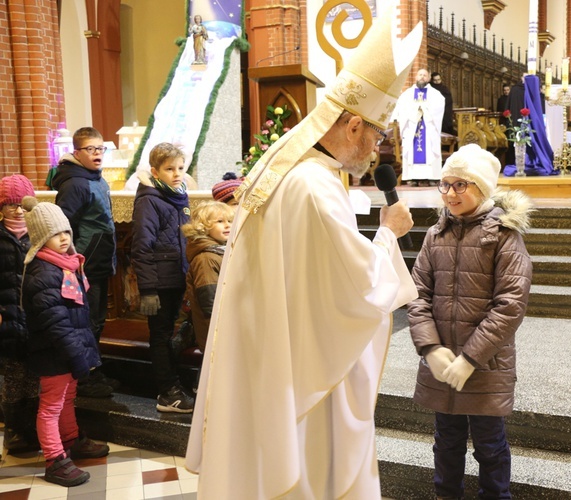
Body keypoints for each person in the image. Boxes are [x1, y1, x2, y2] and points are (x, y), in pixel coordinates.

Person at [185, 9, 421, 498]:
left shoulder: (291, 168)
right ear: (353, 125)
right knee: (314, 471)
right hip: (302, 365)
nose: (375, 150)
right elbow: (355, 289)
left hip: (272, 348)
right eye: (376, 135)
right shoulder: (314, 186)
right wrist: (389, 233)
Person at [407, 144, 533, 499]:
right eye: (444, 184)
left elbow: (510, 305)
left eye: (460, 184)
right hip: (444, 364)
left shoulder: (504, 237)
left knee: (490, 446)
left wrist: (470, 358)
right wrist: (430, 347)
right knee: (445, 443)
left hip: (486, 365)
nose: (449, 193)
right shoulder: (436, 235)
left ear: (482, 188)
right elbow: (417, 295)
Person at [21, 197, 110, 487]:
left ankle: (71, 439)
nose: (63, 239)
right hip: (54, 352)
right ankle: (55, 459)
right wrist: (76, 355)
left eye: (66, 232)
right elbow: (55, 323)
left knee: (67, 399)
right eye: (54, 235)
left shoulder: (67, 265)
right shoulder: (44, 273)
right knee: (50, 407)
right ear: (40, 239)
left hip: (68, 349)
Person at [52, 126, 118, 398]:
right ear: (77, 153)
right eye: (90, 149)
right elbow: (63, 227)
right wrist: (74, 261)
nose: (97, 153)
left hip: (100, 260)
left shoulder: (96, 179)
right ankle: (86, 378)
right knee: (86, 321)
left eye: (100, 148)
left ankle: (95, 370)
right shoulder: (75, 183)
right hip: (84, 265)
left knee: (97, 320)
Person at [131, 142, 194, 413]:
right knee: (160, 335)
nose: (177, 173)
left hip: (176, 276)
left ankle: (174, 383)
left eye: (180, 167)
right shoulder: (149, 200)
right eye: (170, 169)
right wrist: (148, 289)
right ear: (155, 172)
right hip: (159, 281)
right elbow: (141, 246)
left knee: (169, 334)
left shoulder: (178, 195)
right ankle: (167, 392)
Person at [0, 175, 40, 454]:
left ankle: (33, 430)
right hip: (7, 318)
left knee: (35, 377)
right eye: (10, 204)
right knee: (14, 378)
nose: (16, 210)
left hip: (37, 318)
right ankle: (14, 431)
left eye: (21, 204)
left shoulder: (39, 233)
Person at [181, 201, 233, 353]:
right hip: (215, 330)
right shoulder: (206, 258)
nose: (228, 225)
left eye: (230, 221)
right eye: (220, 221)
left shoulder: (219, 250)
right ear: (203, 227)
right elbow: (209, 301)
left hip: (223, 327)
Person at [393, 67, 445, 187]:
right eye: (420, 75)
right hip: (412, 127)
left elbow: (439, 107)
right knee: (412, 151)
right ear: (416, 77)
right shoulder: (407, 94)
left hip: (429, 127)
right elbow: (402, 109)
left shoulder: (435, 94)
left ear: (428, 78)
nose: (422, 77)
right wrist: (416, 110)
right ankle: (412, 177)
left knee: (430, 151)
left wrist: (425, 109)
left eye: (424, 75)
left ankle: (432, 177)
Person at [430, 71, 456, 136]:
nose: (437, 82)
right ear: (432, 80)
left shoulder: (445, 89)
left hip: (445, 115)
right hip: (435, 115)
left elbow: (449, 102)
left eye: (438, 80)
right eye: (435, 80)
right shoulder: (430, 89)